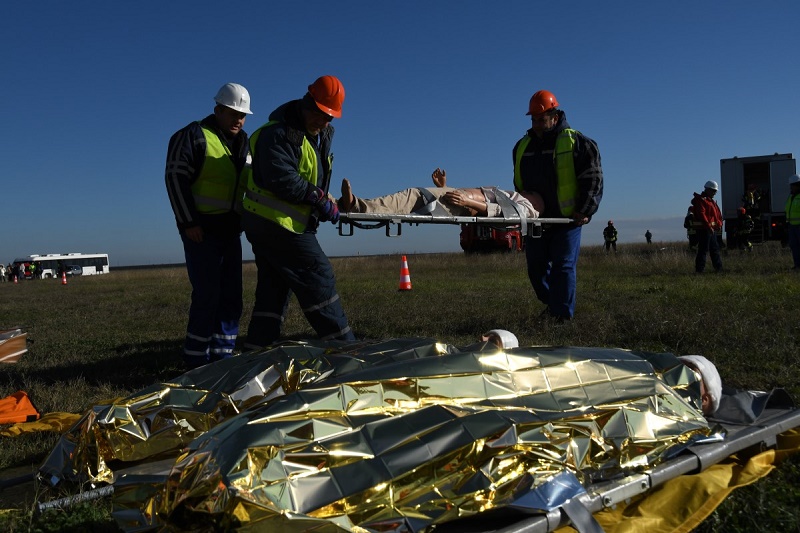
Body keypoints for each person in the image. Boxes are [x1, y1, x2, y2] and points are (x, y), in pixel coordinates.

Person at [242, 75, 356, 349]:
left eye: (330, 118)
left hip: (275, 225)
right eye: (321, 115)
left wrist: (323, 198)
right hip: (277, 225)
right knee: (318, 274)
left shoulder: (314, 135)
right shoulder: (278, 134)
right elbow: (283, 178)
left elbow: (308, 175)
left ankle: (257, 352)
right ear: (307, 104)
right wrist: (319, 199)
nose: (325, 122)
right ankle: (345, 349)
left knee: (274, 288)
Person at [165, 82, 252, 368]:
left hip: (230, 230)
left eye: (242, 115)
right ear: (217, 110)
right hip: (201, 231)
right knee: (207, 296)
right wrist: (188, 222)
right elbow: (175, 179)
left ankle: (222, 360)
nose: (238, 119)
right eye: (232, 113)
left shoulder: (244, 142)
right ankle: (194, 364)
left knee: (232, 298)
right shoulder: (192, 137)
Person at [512, 90, 603, 321]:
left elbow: (593, 178)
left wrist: (585, 209)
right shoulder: (522, 146)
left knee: (563, 268)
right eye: (533, 120)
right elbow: (518, 183)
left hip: (568, 219)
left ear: (554, 116)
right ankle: (553, 304)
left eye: (541, 120)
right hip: (536, 221)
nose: (537, 125)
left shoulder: (579, 143)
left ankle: (561, 318)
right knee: (536, 269)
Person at [338, 168, 543, 218]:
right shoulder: (520, 198)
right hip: (454, 197)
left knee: (408, 198)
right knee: (409, 197)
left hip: (459, 203)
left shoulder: (528, 209)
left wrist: (466, 202)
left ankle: (355, 205)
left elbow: (500, 212)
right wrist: (446, 186)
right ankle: (342, 203)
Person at [691, 180, 724, 273]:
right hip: (704, 230)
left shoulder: (710, 201)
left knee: (714, 250)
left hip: (710, 230)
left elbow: (715, 215)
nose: (715, 193)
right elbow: (702, 215)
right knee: (703, 250)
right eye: (713, 190)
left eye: (715, 191)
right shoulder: (702, 201)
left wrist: (718, 224)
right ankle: (699, 271)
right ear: (707, 189)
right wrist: (709, 227)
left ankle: (719, 269)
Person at [786, 174, 800, 269]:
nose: (791, 188)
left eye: (792, 186)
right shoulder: (791, 197)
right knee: (794, 246)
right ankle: (797, 265)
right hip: (792, 226)